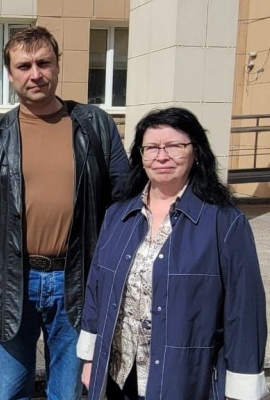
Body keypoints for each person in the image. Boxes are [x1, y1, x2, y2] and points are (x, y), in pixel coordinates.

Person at [0, 26, 129, 400]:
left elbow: (123, 205)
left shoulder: (95, 125)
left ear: (57, 65)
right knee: (12, 391)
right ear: (10, 73)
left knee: (68, 392)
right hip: (11, 282)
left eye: (44, 63)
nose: (36, 74)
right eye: (24, 66)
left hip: (78, 279)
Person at [77, 107, 268, 400]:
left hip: (185, 380)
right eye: (152, 148)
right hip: (119, 376)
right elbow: (96, 289)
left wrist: (241, 389)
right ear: (140, 156)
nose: (162, 156)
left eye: (174, 146)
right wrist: (91, 358)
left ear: (196, 152)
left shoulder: (225, 222)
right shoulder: (118, 215)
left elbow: (244, 311)